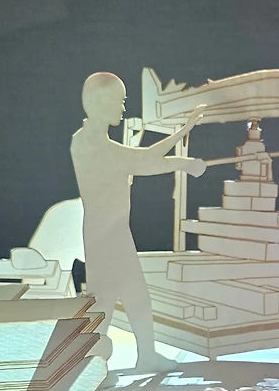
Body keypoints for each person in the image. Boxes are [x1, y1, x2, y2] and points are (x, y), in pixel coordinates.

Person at [70, 72, 204, 371]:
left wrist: (183, 147)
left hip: (110, 232)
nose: (123, 108)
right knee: (107, 301)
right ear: (98, 102)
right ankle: (98, 364)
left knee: (128, 297)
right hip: (107, 235)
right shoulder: (90, 144)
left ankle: (140, 357)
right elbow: (145, 159)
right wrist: (185, 150)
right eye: (119, 101)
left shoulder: (92, 142)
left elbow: (143, 159)